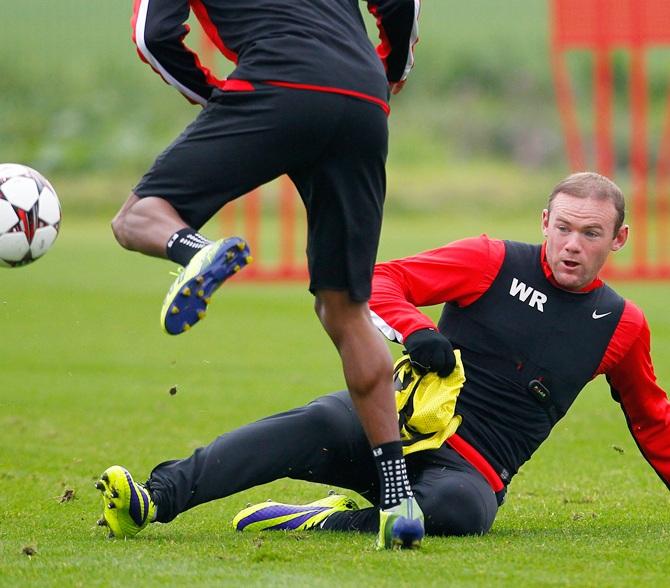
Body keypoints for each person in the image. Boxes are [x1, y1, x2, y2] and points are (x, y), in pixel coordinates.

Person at [97, 171, 670, 541]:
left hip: (467, 470)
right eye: (564, 227)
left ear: (618, 239)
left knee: (460, 515)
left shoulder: (623, 326)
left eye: (591, 234)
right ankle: (154, 498)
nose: (573, 245)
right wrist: (417, 329)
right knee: (319, 421)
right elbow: (380, 279)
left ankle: (319, 520)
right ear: (544, 222)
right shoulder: (489, 259)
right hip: (388, 426)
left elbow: (652, 420)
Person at [105, 0, 424, 549]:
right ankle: (399, 502)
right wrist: (387, 73)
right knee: (346, 311)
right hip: (363, 97)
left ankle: (194, 250)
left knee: (137, 216)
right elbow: (400, 4)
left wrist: (216, 97)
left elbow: (153, 35)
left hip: (278, 81)